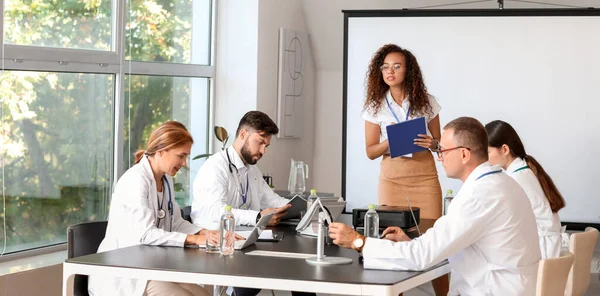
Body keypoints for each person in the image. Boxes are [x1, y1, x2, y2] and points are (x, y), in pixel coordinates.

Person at [329, 117, 541, 296]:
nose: (439, 157)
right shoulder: (500, 182)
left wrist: (359, 242)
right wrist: (411, 242)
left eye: (443, 150)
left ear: (464, 154)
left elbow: (421, 257)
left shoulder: (480, 194)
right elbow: (451, 243)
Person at [191, 111, 314, 296]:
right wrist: (258, 216)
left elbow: (272, 199)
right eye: (261, 142)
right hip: (218, 246)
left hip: (244, 242)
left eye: (267, 145)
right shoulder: (215, 167)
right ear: (243, 135)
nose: (263, 150)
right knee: (278, 269)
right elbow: (215, 211)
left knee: (298, 268)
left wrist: (304, 207)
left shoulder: (251, 170)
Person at [88, 121, 214, 296]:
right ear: (161, 151)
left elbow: (176, 223)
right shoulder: (135, 181)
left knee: (204, 294)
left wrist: (207, 233)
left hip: (150, 266)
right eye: (181, 155)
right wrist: (193, 240)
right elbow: (145, 234)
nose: (184, 163)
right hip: (124, 272)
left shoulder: (166, 180)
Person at [362, 44, 448, 295]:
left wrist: (433, 143)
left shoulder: (427, 102)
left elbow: (440, 144)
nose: (390, 71)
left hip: (425, 178)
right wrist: (389, 143)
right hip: (392, 181)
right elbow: (370, 151)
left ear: (408, 71)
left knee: (434, 242)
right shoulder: (374, 106)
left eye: (397, 66)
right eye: (385, 67)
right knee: (392, 241)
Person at [486, 120, 566, 259]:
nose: (485, 159)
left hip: (542, 253)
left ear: (505, 150)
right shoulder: (523, 171)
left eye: (487, 152)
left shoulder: (516, 178)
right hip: (547, 248)